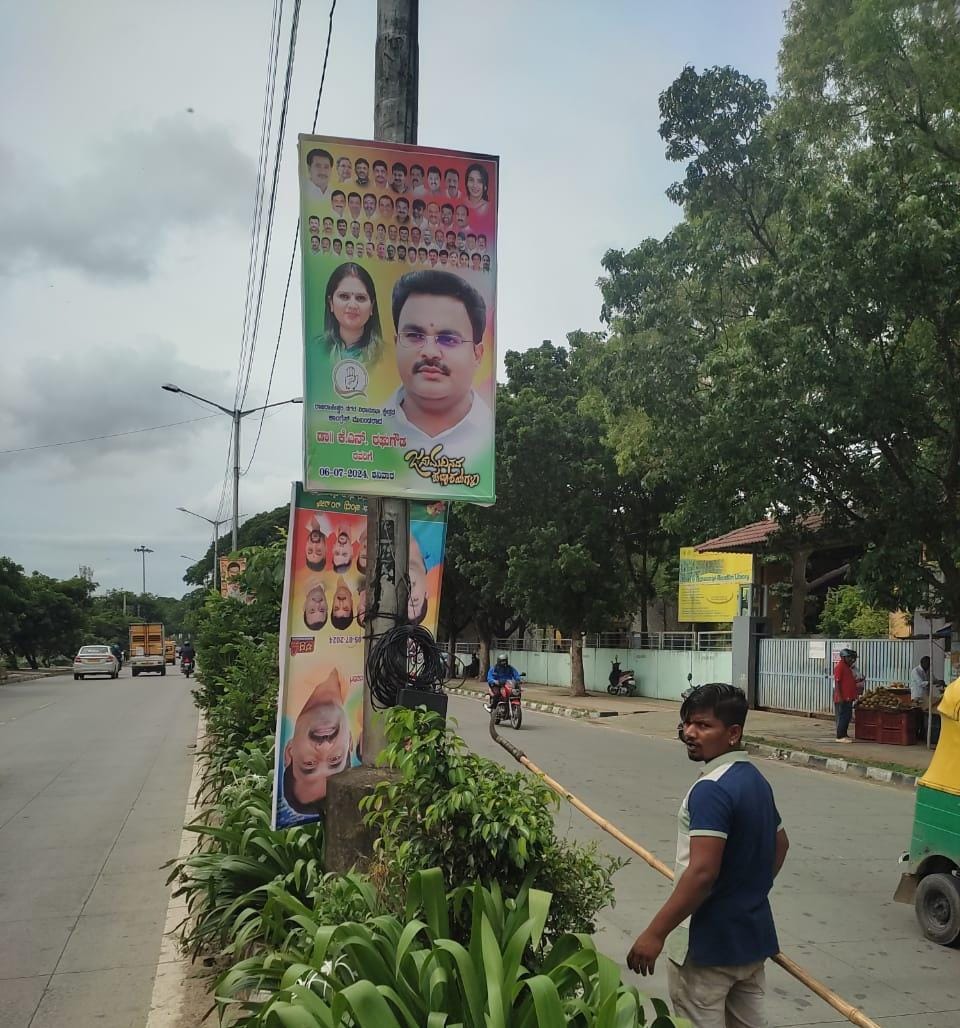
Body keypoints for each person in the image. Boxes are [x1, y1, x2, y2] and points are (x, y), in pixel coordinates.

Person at [627, 683, 789, 1028]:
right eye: (687, 723)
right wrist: (744, 892)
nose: (690, 733)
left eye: (703, 725)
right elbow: (780, 845)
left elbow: (701, 874)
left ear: (733, 734)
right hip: (750, 942)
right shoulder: (755, 780)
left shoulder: (711, 789)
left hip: (707, 949)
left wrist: (655, 934)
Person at [387, 270, 492, 458]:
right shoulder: (362, 429)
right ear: (396, 344)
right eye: (415, 336)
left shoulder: (490, 435)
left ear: (477, 354)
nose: (430, 352)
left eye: (448, 339)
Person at [281, 667, 353, 818]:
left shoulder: (297, 673)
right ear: (350, 743)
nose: (325, 746)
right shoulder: (373, 688)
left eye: (309, 763)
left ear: (289, 751)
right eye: (335, 759)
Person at [321, 262, 383, 363]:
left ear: (372, 306)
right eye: (344, 296)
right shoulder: (315, 350)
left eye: (360, 298)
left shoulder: (387, 355)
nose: (352, 305)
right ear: (331, 303)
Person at [833, 648, 860, 743]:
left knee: (847, 716)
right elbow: (837, 683)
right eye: (850, 658)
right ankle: (840, 736)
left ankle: (844, 734)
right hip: (843, 697)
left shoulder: (847, 667)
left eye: (853, 658)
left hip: (848, 696)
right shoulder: (840, 667)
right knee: (843, 716)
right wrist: (840, 697)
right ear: (844, 657)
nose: (852, 660)